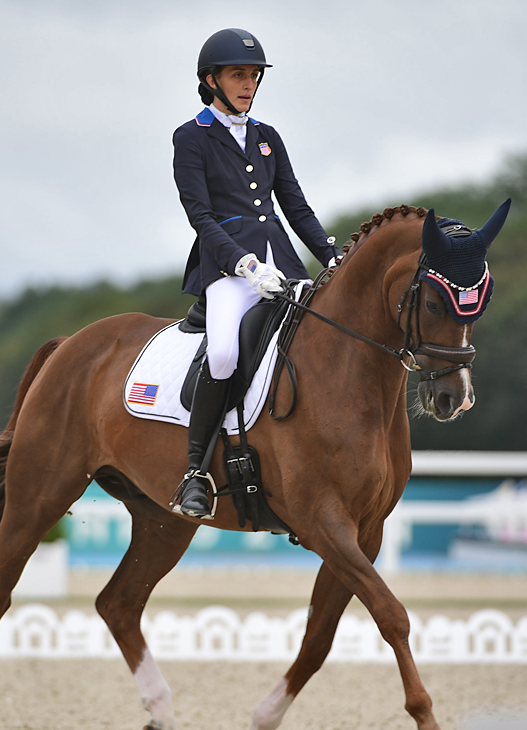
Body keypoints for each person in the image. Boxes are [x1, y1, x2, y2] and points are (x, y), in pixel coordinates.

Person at [171, 27, 339, 519]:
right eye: (238, 75)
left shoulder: (268, 137)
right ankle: (194, 474)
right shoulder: (191, 138)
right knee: (222, 352)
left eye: (253, 76)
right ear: (212, 79)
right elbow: (199, 216)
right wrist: (242, 264)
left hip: (283, 266)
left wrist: (331, 256)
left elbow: (295, 206)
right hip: (229, 270)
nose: (248, 84)